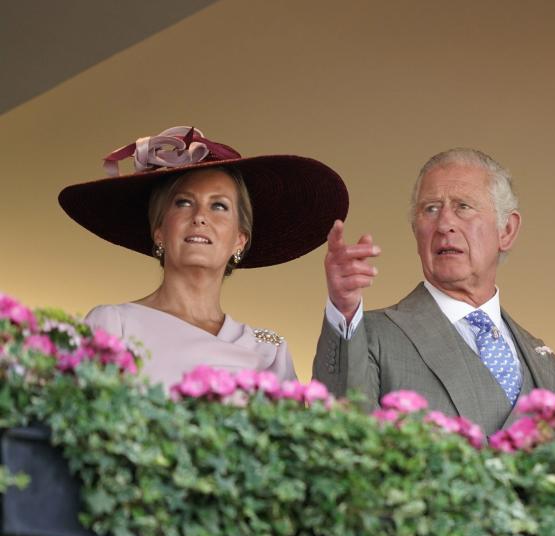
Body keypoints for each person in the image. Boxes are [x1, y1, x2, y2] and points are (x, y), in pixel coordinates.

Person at [58, 126, 348, 389]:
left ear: (239, 239)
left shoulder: (269, 349)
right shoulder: (113, 325)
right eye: (184, 203)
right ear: (159, 231)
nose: (199, 217)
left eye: (219, 206)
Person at [313, 148, 555, 434]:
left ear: (507, 230)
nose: (445, 224)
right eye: (431, 209)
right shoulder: (370, 336)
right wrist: (344, 310)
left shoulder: (552, 369)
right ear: (416, 230)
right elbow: (341, 434)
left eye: (463, 206)